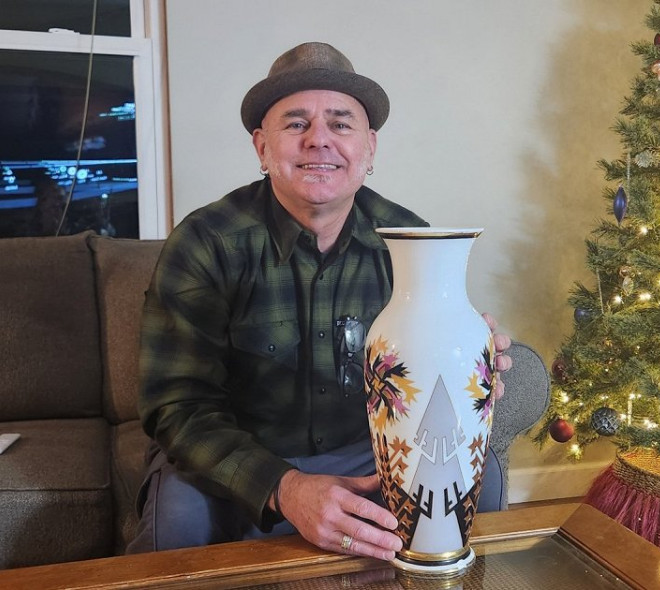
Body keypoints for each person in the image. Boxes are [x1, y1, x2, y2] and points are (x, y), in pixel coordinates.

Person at [128, 42, 513, 562]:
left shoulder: (410, 242)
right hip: (238, 455)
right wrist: (283, 487)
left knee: (478, 480)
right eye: (296, 124)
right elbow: (176, 405)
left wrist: (468, 362)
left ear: (369, 148)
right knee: (176, 523)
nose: (319, 140)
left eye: (340, 123)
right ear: (262, 147)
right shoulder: (206, 243)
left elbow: (430, 374)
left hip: (370, 452)